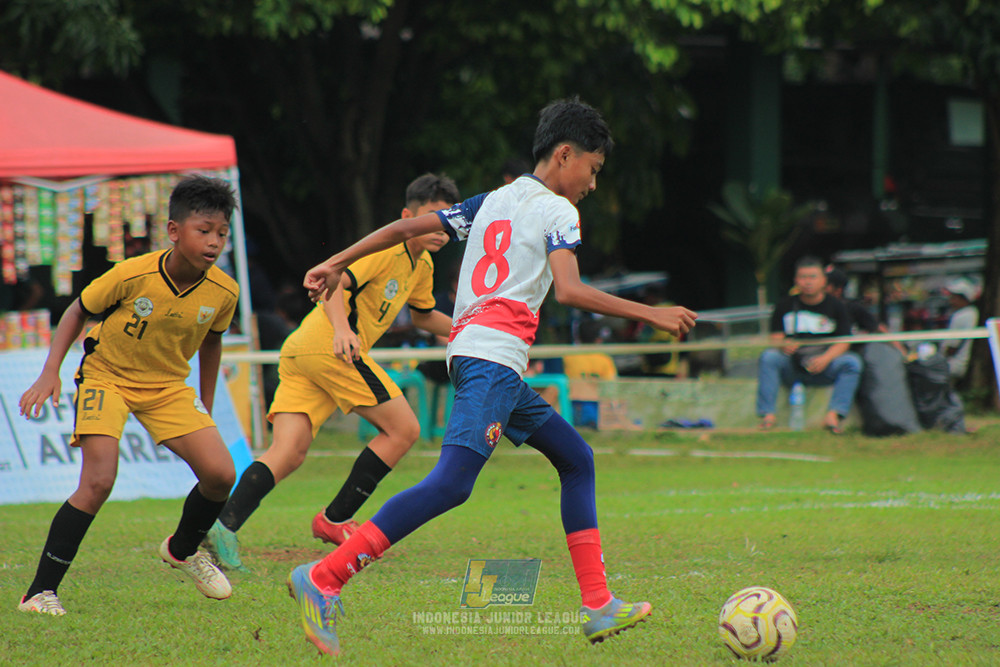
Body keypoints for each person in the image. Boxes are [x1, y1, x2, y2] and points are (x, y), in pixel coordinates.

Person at [287, 97, 697, 655]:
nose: (593, 185)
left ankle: (598, 604)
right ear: (565, 154)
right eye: (593, 171)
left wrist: (335, 260)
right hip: (492, 361)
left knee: (577, 459)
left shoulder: (492, 201)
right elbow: (571, 290)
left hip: (480, 359)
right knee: (452, 484)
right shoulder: (558, 211)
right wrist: (653, 313)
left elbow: (399, 228)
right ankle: (325, 577)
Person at [202, 174, 458, 572]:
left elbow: (424, 316)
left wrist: (471, 327)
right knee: (404, 429)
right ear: (408, 216)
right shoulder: (386, 247)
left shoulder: (421, 264)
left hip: (303, 349)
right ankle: (334, 519)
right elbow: (333, 282)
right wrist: (343, 330)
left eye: (446, 220)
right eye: (431, 217)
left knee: (288, 451)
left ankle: (221, 526)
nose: (438, 228)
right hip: (329, 347)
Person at [17, 176, 240, 615]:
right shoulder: (133, 273)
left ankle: (181, 549)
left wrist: (207, 405)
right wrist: (50, 374)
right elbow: (77, 310)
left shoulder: (224, 291)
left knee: (220, 474)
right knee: (98, 481)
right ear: (175, 231)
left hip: (168, 386)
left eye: (222, 233)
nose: (214, 242)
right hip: (107, 377)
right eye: (204, 230)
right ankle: (39, 593)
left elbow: (212, 341)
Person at [756, 256, 862, 434]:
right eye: (803, 277)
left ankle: (834, 415)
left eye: (812, 277)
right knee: (769, 357)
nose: (808, 282)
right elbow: (775, 337)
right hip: (792, 366)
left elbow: (844, 341)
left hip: (825, 366)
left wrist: (826, 358)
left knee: (852, 363)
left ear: (823, 281)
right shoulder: (784, 305)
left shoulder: (837, 306)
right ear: (796, 281)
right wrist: (783, 345)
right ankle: (768, 416)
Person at [941, 277, 979, 383]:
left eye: (954, 297)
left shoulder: (960, 316)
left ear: (963, 299)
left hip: (955, 365)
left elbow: (951, 347)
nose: (951, 300)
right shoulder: (973, 313)